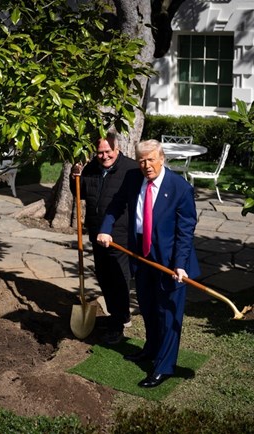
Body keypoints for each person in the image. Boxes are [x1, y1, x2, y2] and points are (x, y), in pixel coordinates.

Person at [97, 139, 200, 388]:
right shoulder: (134, 178)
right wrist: (106, 228)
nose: (146, 165)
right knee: (148, 306)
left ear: (162, 158)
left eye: (151, 159)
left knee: (168, 313)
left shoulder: (180, 188)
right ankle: (151, 349)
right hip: (141, 253)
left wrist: (180, 264)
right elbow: (116, 205)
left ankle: (164, 367)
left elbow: (185, 231)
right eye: (141, 160)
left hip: (171, 259)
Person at [71, 132, 139, 345]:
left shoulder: (130, 169)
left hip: (120, 235)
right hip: (97, 233)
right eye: (100, 152)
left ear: (117, 149)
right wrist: (75, 178)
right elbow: (80, 194)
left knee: (118, 280)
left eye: (108, 151)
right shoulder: (90, 168)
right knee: (104, 278)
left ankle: (117, 324)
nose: (104, 156)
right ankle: (120, 315)